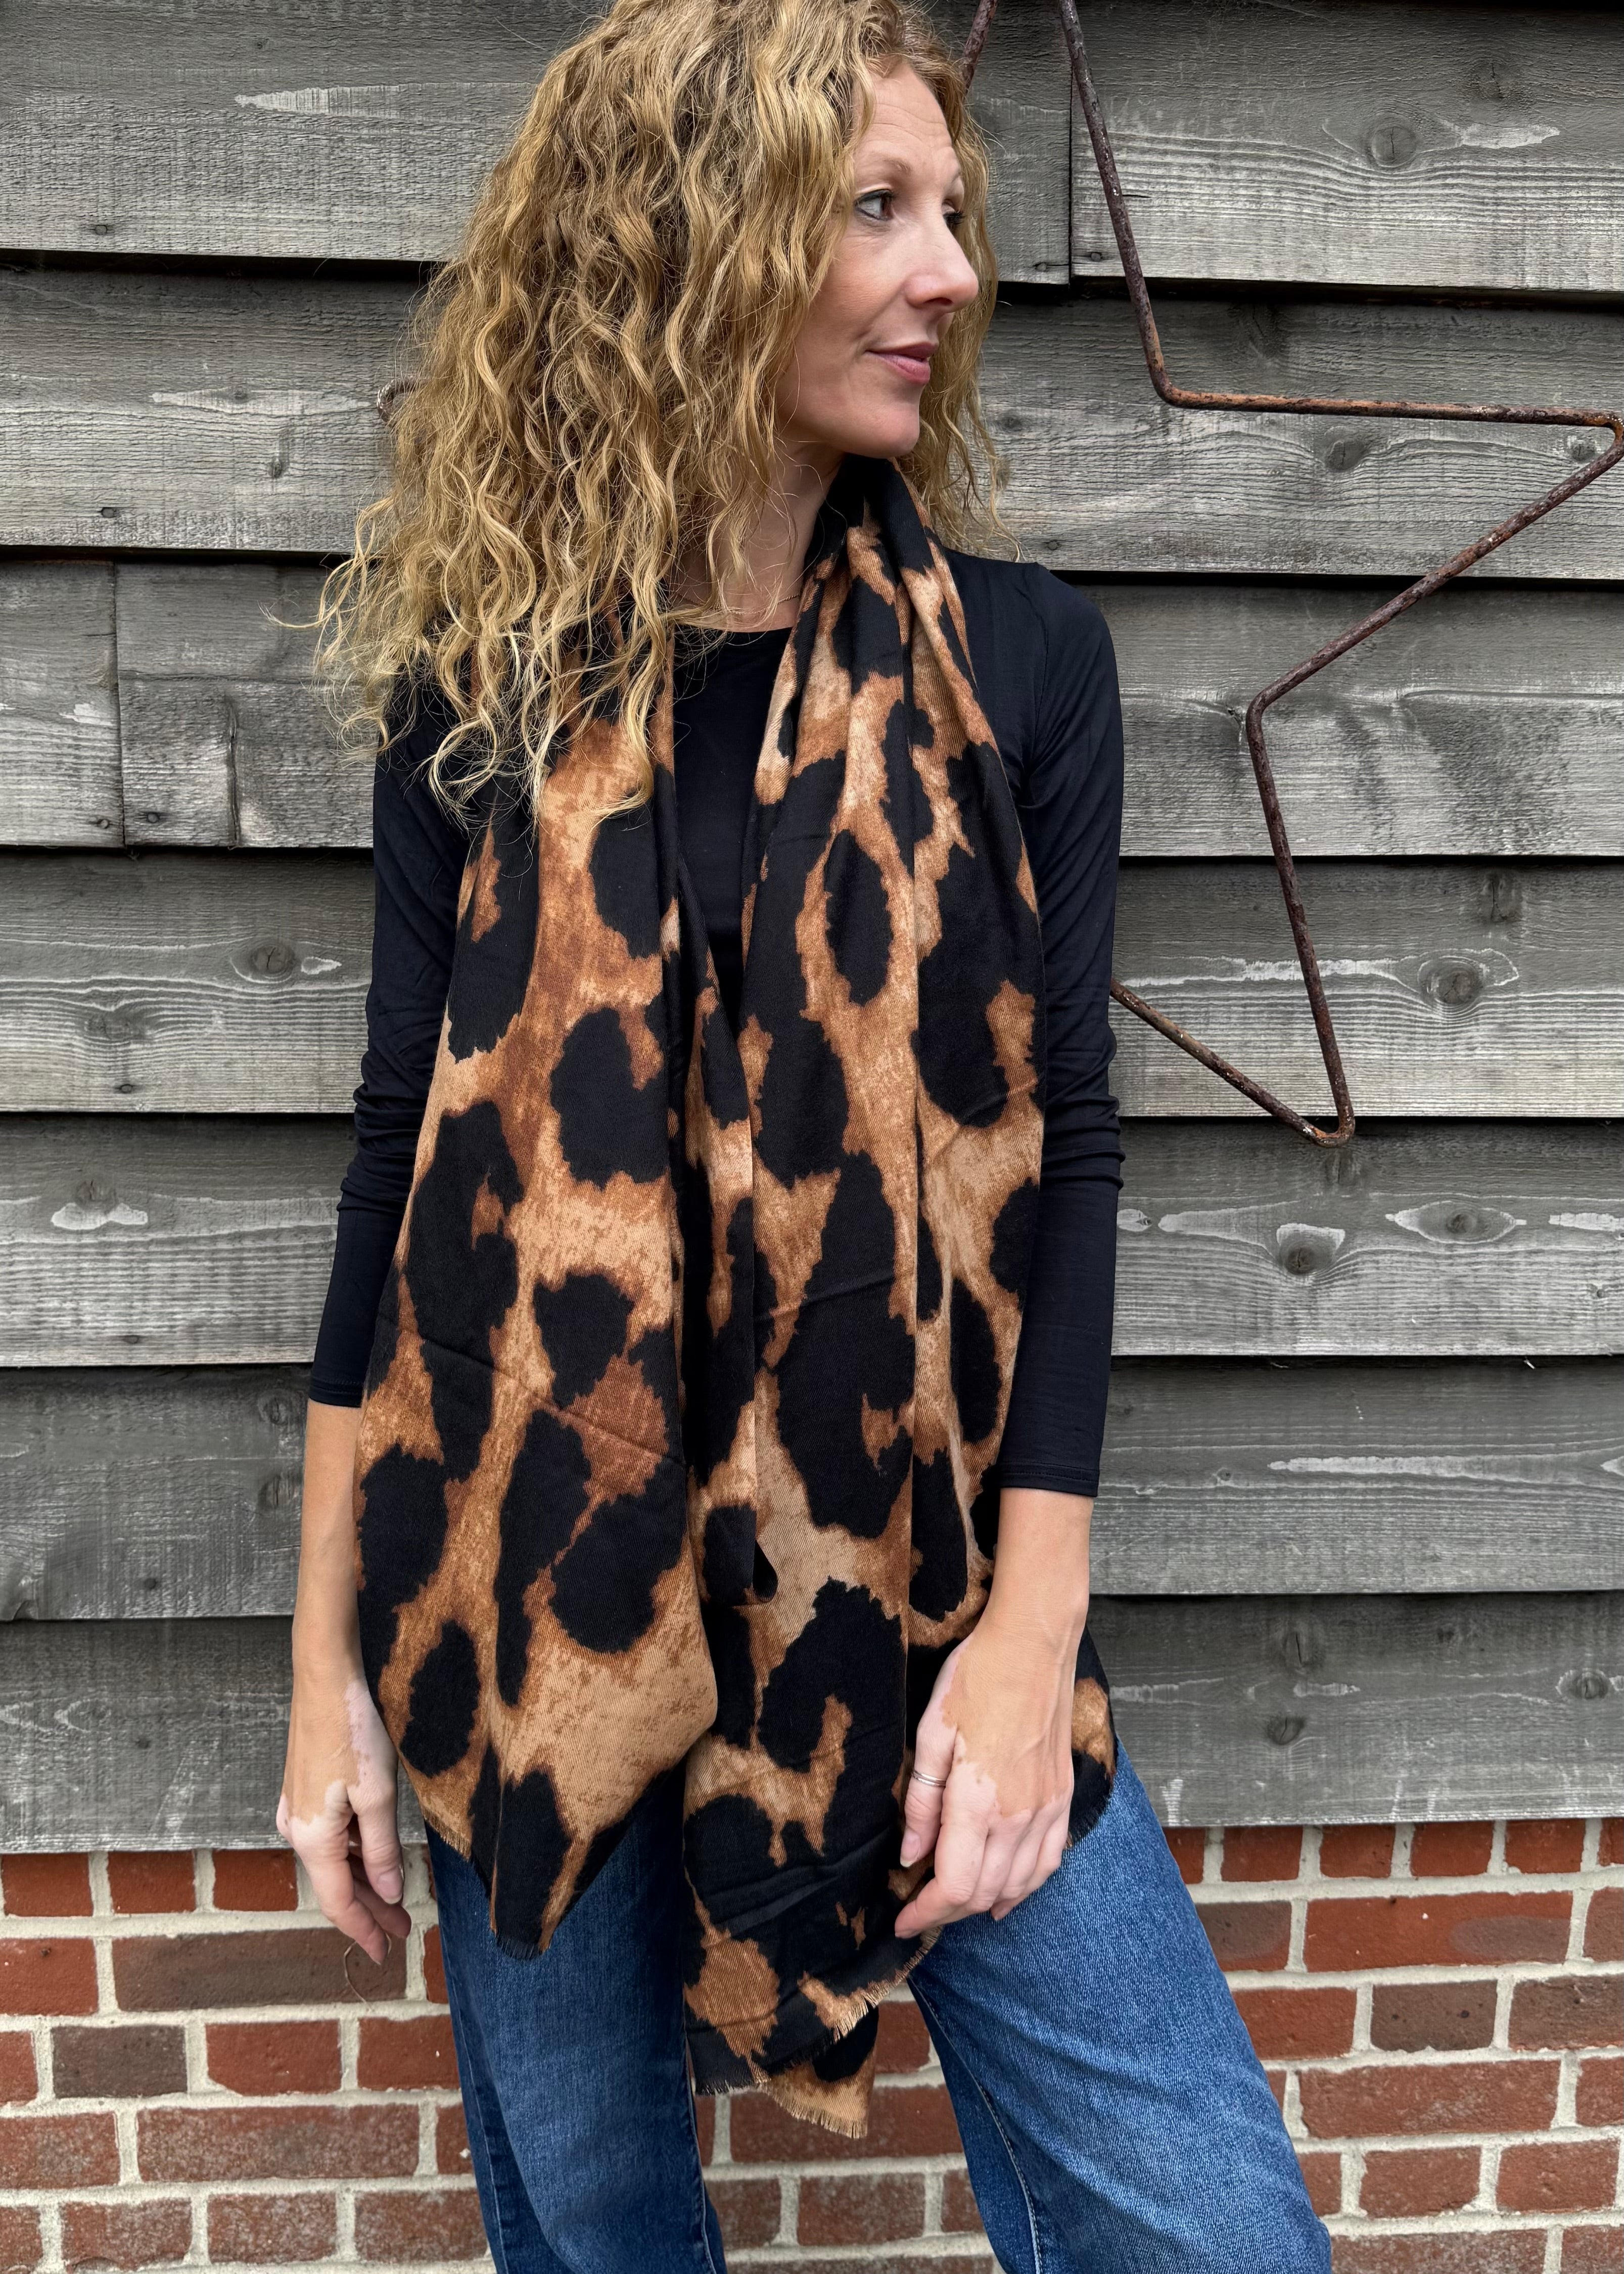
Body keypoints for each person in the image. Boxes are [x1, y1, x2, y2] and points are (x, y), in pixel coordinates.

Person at [279, 3, 1331, 2267]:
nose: (950, 270)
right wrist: (324, 1693)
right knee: (593, 2238)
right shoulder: (484, 695)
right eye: (878, 208)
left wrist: (1033, 1632)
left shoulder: (1018, 668)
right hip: (529, 1617)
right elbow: (397, 1174)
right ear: (691, 245)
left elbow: (1079, 1160)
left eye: (950, 211)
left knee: (1218, 2230)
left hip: (922, 1593)